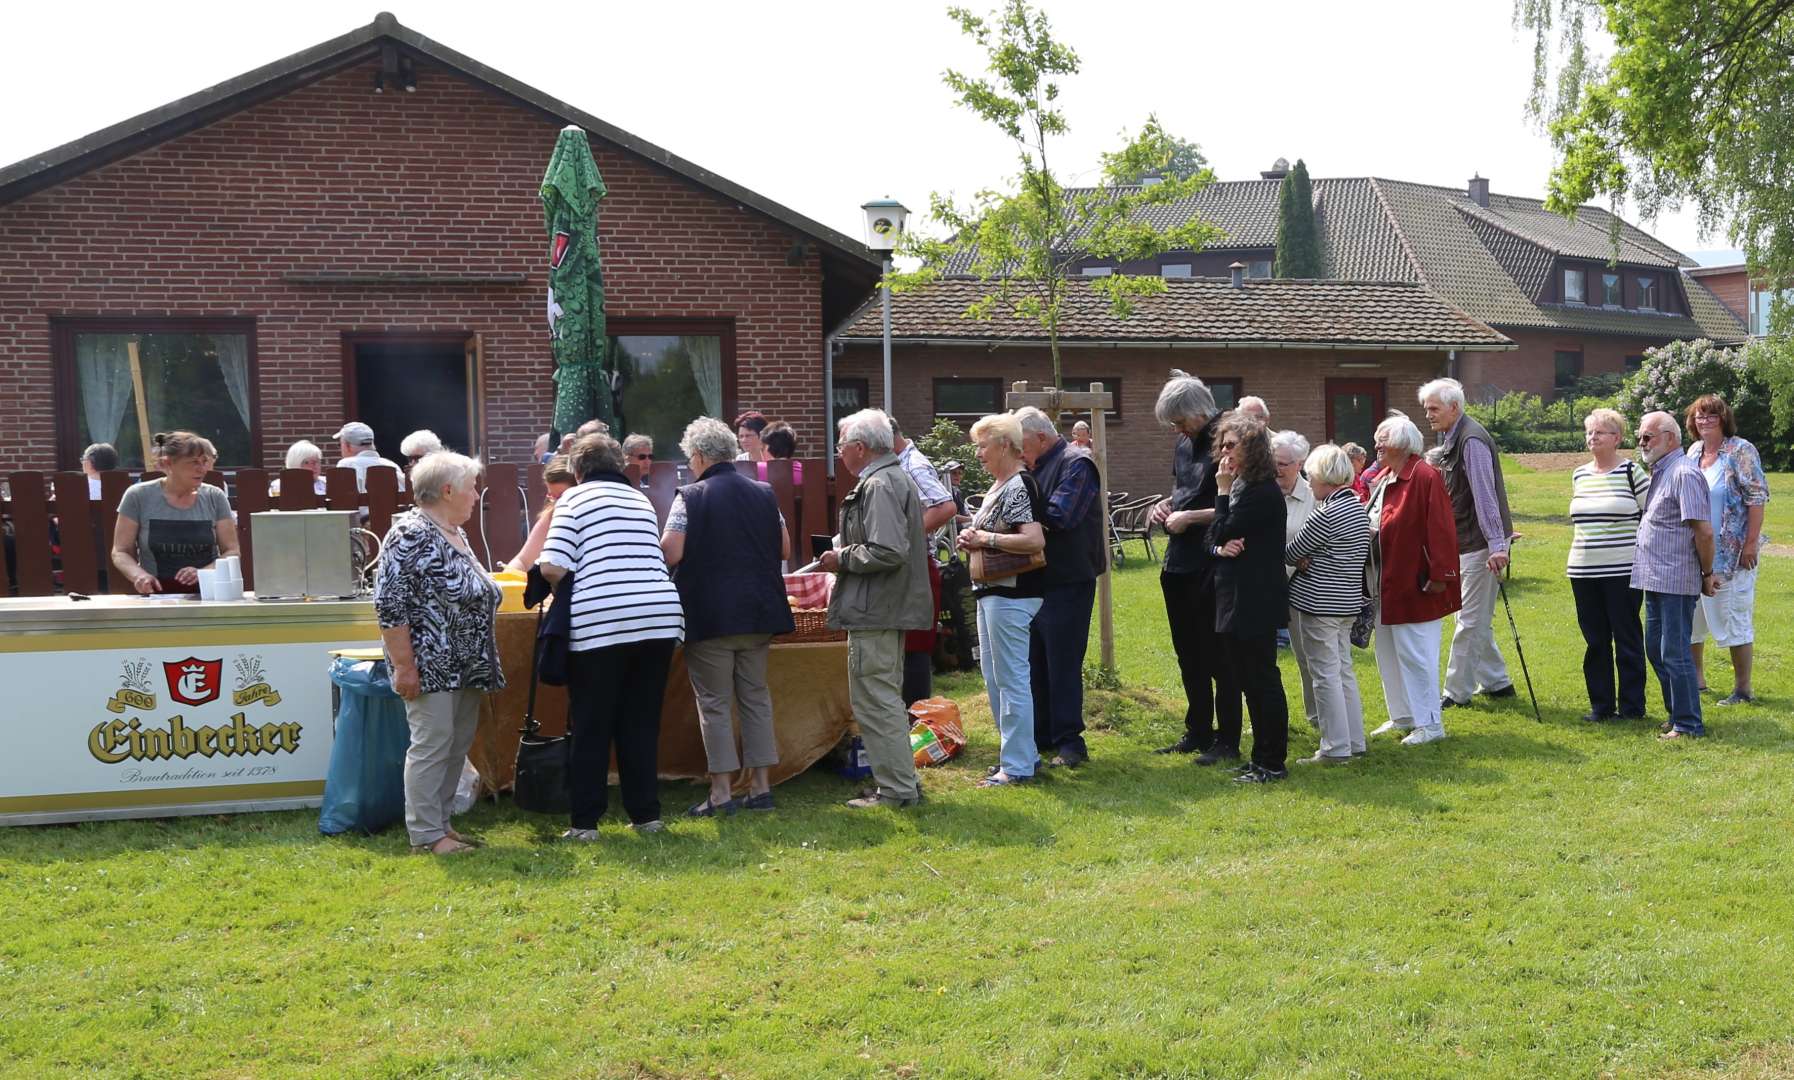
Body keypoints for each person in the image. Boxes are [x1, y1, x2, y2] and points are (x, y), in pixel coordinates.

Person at [539, 433, 685, 836]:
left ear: (578, 470)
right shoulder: (638, 499)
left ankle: (586, 822)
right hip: (658, 617)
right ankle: (646, 816)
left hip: (602, 621)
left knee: (592, 724)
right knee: (641, 722)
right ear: (619, 466)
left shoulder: (572, 499)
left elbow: (552, 565)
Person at [373, 451, 503, 856]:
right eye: (471, 487)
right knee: (432, 744)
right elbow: (390, 606)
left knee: (456, 743)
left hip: (464, 662)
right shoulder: (411, 533)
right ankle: (426, 836)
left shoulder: (453, 532)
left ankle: (442, 826)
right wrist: (404, 666)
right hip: (430, 663)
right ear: (448, 491)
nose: (476, 494)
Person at [661, 418, 794, 816]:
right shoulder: (763, 493)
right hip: (759, 613)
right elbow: (785, 547)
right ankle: (761, 788)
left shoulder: (690, 496)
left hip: (711, 616)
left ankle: (721, 792)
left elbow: (671, 552)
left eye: (690, 458)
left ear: (699, 456)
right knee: (756, 698)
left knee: (715, 703)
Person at [818, 409, 933, 808]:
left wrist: (841, 557)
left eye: (841, 446)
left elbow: (888, 550)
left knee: (876, 700)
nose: (839, 453)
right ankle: (901, 785)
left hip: (876, 609)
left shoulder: (880, 483)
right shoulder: (888, 478)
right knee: (881, 697)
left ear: (860, 448)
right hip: (883, 607)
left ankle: (898, 791)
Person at [1149, 376, 1243, 764]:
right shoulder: (1184, 443)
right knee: (1188, 652)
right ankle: (1198, 729)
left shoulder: (1230, 440)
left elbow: (1237, 503)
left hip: (1213, 559)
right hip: (1179, 560)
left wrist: (1190, 517)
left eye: (1179, 421)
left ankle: (1227, 738)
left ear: (1199, 412)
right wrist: (1165, 506)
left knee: (1219, 654)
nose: (1177, 430)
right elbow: (1183, 491)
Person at [956, 412, 1047, 787]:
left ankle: (1019, 765)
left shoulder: (1018, 485)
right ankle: (1020, 756)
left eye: (983, 445)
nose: (978, 454)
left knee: (1011, 680)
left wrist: (984, 539)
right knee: (995, 679)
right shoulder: (1000, 486)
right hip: (991, 592)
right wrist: (971, 532)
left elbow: (1034, 541)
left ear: (1005, 446)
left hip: (1012, 594)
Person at [1017, 405, 1105, 767]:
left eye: (1019, 443)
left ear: (1040, 436)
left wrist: (1018, 517)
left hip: (1068, 579)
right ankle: (1041, 735)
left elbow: (1060, 516)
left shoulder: (1076, 463)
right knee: (1034, 660)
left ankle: (1071, 743)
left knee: (1063, 661)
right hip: (1036, 580)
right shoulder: (1033, 467)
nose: (1016, 451)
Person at [1365, 413, 1461, 745]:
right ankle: (1403, 715)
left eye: (1383, 438)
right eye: (1377, 437)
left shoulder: (1424, 476)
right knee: (1389, 652)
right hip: (1385, 584)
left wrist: (1440, 575)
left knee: (1417, 653)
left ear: (1404, 444)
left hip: (1414, 584)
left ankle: (1431, 723)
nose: (1376, 444)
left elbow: (1441, 528)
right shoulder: (1387, 476)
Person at [1420, 378, 1515, 710]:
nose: (1428, 414)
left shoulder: (1471, 439)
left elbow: (1485, 496)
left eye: (1433, 408)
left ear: (1454, 407)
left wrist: (1497, 545)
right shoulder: (1453, 435)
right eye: (1427, 408)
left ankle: (1456, 692)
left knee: (1469, 620)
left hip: (1480, 544)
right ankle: (1497, 681)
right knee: (1473, 616)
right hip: (1467, 542)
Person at [1207, 414, 1290, 782]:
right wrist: (1219, 545)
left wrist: (1222, 493)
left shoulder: (1259, 491)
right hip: (1233, 596)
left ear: (1252, 449)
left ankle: (1272, 762)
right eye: (1221, 445)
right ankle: (1260, 757)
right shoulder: (1243, 487)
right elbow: (1213, 538)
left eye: (1231, 445)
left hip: (1254, 598)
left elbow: (1222, 527)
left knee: (1261, 680)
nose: (1224, 453)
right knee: (1246, 679)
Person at [1631, 411, 1718, 740]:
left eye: (1648, 436)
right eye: (1640, 436)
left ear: (1670, 438)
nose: (1642, 442)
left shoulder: (1683, 473)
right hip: (1654, 578)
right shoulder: (1661, 471)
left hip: (1676, 579)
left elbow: (1704, 532)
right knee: (1655, 648)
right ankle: (1676, 713)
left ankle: (1688, 724)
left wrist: (1707, 573)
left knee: (1675, 651)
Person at [1284, 444, 1372, 762]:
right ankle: (1354, 741)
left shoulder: (1327, 513)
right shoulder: (1356, 508)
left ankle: (1335, 747)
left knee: (1324, 675)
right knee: (1343, 672)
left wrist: (1308, 560)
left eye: (1311, 477)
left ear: (1324, 478)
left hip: (1319, 605)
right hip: (1347, 603)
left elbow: (1291, 552)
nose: (1308, 484)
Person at [1567, 407, 1650, 722]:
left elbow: (1649, 517)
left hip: (1622, 569)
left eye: (1599, 432)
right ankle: (1601, 706)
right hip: (1582, 570)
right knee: (1595, 639)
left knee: (1627, 637)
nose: (1592, 437)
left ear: (1617, 438)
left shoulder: (1632, 472)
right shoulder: (1579, 474)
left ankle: (1632, 708)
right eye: (1589, 432)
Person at [1684, 395, 1768, 705]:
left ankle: (1742, 689)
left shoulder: (1740, 450)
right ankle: (1697, 679)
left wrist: (1750, 544)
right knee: (1692, 618)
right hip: (1695, 553)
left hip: (1731, 553)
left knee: (1733, 617)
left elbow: (1757, 498)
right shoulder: (1692, 452)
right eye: (1699, 416)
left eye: (1711, 416)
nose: (1704, 421)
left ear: (1723, 419)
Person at [111, 432, 239, 595]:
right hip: (157, 597)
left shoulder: (215, 496)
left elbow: (232, 551)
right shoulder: (138, 496)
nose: (202, 469)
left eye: (204, 461)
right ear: (167, 464)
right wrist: (140, 576)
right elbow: (120, 551)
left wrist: (203, 572)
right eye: (193, 462)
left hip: (209, 595)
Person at [890, 418, 958, 703]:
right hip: (907, 565)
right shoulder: (900, 463)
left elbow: (946, 506)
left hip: (917, 565)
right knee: (906, 645)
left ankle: (917, 721)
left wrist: (904, 538)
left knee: (915, 646)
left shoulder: (913, 466)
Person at [1272, 429, 1314, 674]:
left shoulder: (1313, 497)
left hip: (1301, 590)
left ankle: (1319, 714)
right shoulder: (1261, 494)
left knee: (1307, 660)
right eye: (1272, 462)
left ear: (1299, 464)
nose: (1276, 469)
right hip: (1264, 586)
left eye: (1282, 464)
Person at [503, 455, 578, 575]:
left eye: (562, 496)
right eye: (552, 496)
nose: (557, 503)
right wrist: (509, 576)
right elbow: (523, 561)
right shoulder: (551, 516)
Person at [333, 422, 406, 493]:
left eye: (340, 445)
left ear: (347, 446)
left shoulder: (346, 464)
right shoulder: (392, 465)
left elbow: (341, 498)